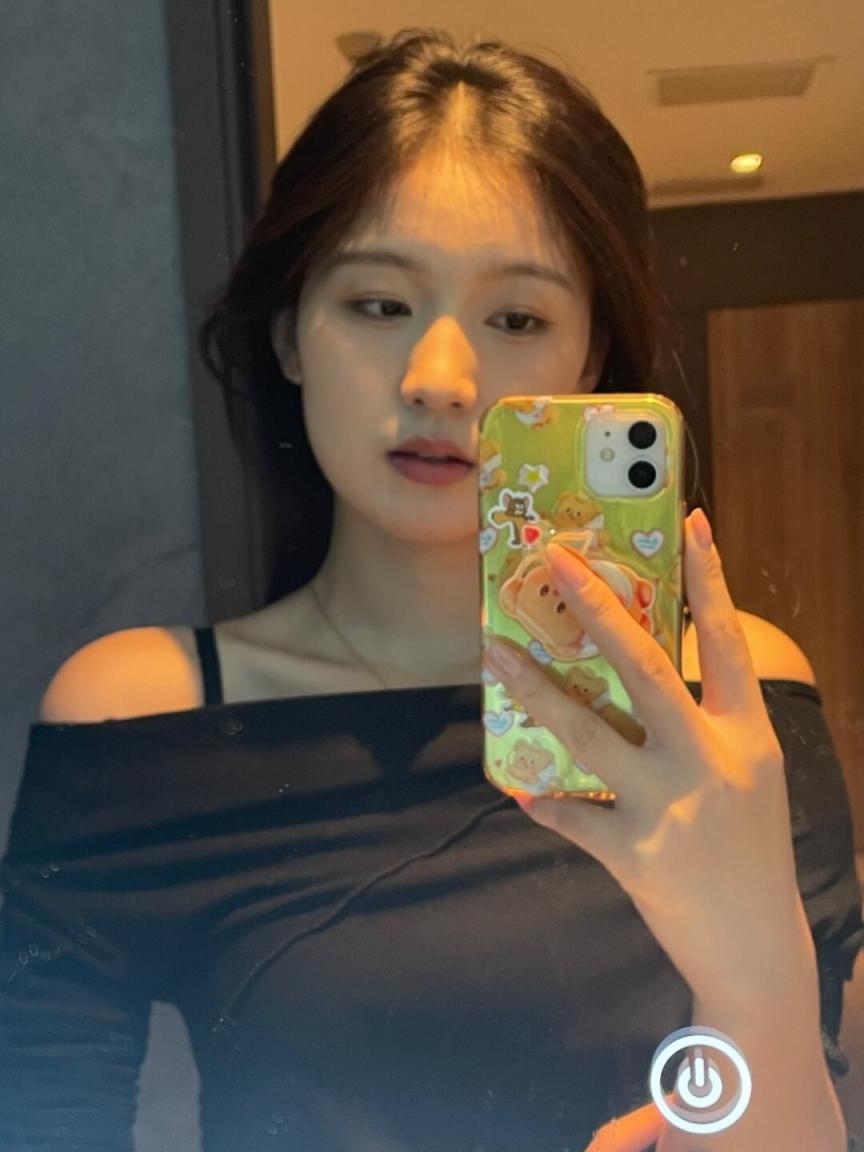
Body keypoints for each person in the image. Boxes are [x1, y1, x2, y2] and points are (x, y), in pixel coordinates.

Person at [1, 26, 862, 1152]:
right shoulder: (144, 718)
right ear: (289, 333)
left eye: (517, 319)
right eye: (377, 304)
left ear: (590, 359)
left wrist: (756, 972)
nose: (441, 380)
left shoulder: (732, 700)